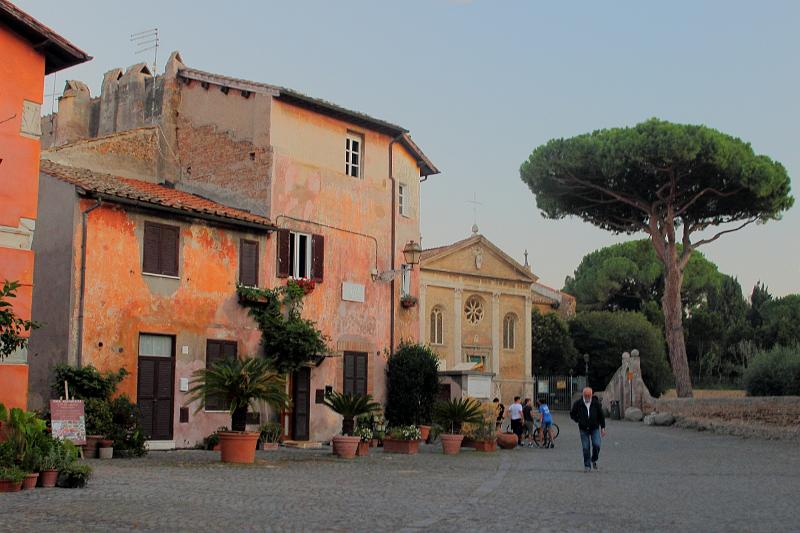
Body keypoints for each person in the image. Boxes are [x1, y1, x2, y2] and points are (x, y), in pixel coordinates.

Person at [569, 387, 606, 472]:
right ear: (583, 395)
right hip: (583, 428)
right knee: (586, 447)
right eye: (586, 395)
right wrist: (578, 420)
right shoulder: (578, 403)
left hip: (594, 428)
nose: (587, 397)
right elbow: (572, 414)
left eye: (589, 395)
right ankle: (587, 466)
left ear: (591, 395)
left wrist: (603, 428)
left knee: (596, 445)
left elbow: (601, 416)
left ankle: (594, 459)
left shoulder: (596, 403)